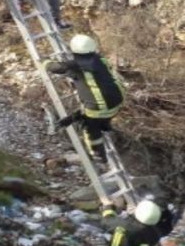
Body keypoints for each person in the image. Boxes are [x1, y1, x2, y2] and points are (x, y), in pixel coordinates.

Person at [45, 34, 125, 164]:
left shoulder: (77, 65)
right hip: (117, 100)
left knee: (90, 128)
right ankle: (104, 125)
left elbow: (56, 68)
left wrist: (45, 62)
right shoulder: (101, 60)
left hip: (100, 107)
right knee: (92, 113)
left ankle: (98, 155)